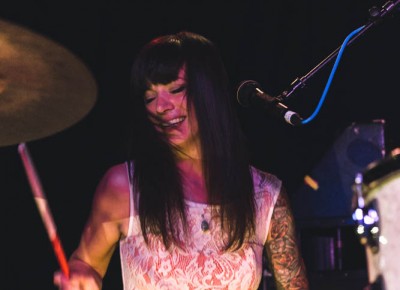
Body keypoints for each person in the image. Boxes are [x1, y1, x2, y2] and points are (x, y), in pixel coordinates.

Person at [54, 31, 309, 290]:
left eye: (175, 89)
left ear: (209, 92)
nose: (160, 106)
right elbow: (86, 264)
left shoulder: (265, 195)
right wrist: (79, 272)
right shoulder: (124, 187)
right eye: (150, 97)